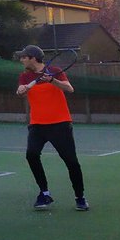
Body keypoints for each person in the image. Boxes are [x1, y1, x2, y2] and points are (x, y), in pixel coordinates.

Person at [15, 44, 88, 211]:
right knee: (31, 155)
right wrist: (21, 90)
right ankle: (44, 193)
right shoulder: (25, 77)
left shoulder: (54, 70)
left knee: (71, 162)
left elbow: (69, 89)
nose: (21, 60)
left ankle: (80, 197)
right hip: (37, 125)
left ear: (33, 57)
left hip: (60, 124)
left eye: (23, 57)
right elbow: (22, 92)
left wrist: (52, 80)